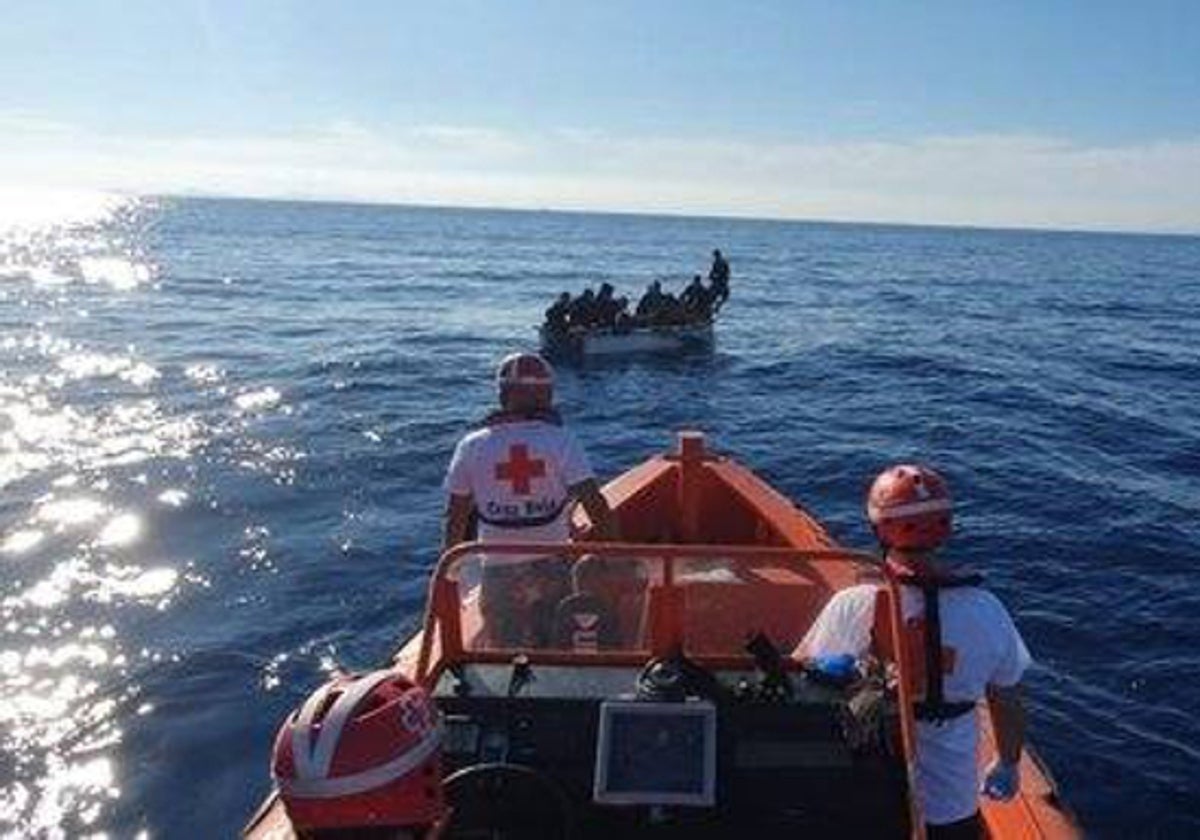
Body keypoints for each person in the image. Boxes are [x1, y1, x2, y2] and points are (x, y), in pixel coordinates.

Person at [795, 465, 1030, 839]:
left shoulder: (857, 603)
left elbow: (805, 680)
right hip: (952, 804)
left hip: (870, 785)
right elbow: (1007, 696)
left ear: (879, 528)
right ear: (945, 528)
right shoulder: (986, 609)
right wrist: (1008, 763)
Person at [442, 352, 619, 646]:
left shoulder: (471, 445)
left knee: (503, 648)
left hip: (497, 569)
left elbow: (456, 515)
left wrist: (451, 571)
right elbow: (595, 504)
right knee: (554, 644)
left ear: (502, 394)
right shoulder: (561, 440)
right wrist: (615, 557)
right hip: (552, 566)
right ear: (548, 395)